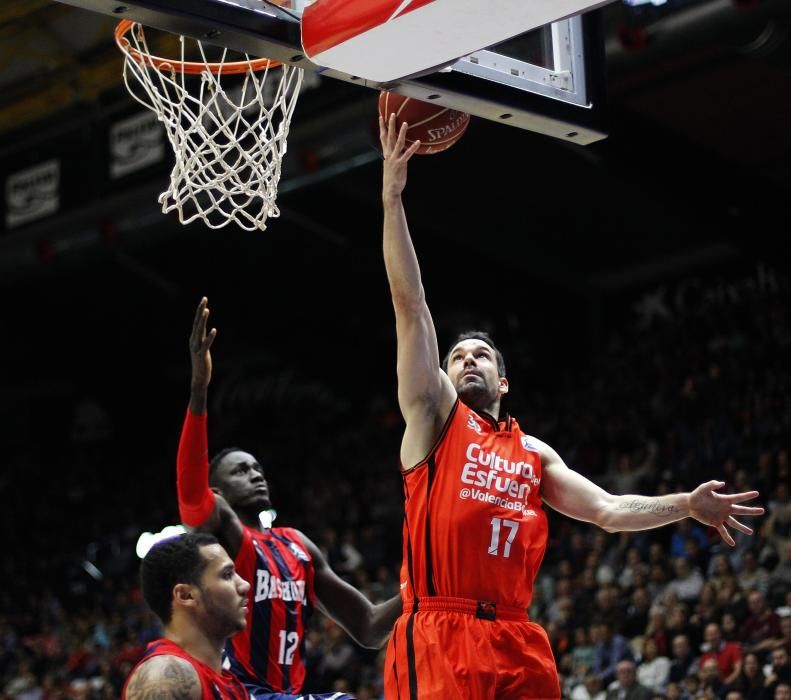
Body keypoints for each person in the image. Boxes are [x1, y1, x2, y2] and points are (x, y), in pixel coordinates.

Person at [377, 112, 765, 699]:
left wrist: (686, 504)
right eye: (457, 357)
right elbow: (412, 308)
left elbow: (609, 509)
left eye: (482, 355)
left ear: (504, 382)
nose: (468, 362)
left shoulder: (532, 453)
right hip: (440, 630)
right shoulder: (434, 418)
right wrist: (392, 199)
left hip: (516, 636)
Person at [176, 298, 402, 699]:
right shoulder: (224, 540)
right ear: (219, 492)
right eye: (241, 470)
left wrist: (427, 587)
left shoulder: (298, 546)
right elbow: (192, 496)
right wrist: (198, 389)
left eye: (258, 468)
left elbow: (368, 627)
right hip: (237, 692)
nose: (256, 474)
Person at [123, 532, 251, 699]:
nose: (245, 585)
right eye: (227, 575)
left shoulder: (231, 683)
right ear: (185, 595)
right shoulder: (162, 677)